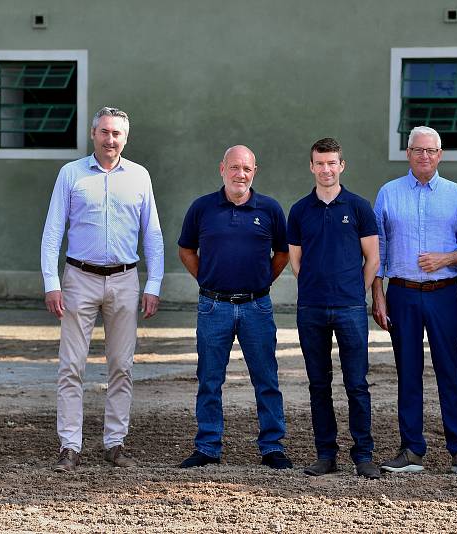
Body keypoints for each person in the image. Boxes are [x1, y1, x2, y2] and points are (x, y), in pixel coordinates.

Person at [41, 106, 165, 472]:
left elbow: (152, 234)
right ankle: (69, 446)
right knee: (71, 366)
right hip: (79, 278)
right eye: (104, 132)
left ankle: (114, 443)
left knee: (121, 366)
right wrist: (51, 283)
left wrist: (154, 283)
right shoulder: (71, 174)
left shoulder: (139, 177)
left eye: (117, 134)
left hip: (126, 280)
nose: (110, 139)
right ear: (93, 134)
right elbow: (52, 232)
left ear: (125, 138)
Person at [372, 126, 457, 474]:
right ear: (408, 153)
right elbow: (378, 249)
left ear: (440, 154)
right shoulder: (389, 193)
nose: (424, 156)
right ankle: (411, 449)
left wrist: (446, 258)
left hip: (443, 295)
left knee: (450, 370)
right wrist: (378, 294)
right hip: (401, 293)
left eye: (431, 150)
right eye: (418, 150)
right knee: (408, 371)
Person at [177, 145, 292, 470]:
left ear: (254, 171)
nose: (240, 174)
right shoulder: (202, 208)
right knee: (210, 379)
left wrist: (261, 282)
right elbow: (186, 250)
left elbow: (281, 254)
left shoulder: (269, 209)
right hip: (214, 307)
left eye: (247, 169)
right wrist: (208, 278)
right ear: (222, 169)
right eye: (235, 168)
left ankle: (272, 446)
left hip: (257, 307)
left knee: (266, 378)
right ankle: (208, 446)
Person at [287, 138, 381, 479]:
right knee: (318, 384)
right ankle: (326, 455)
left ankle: (364, 455)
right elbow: (296, 262)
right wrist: (316, 285)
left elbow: (372, 258)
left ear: (341, 165)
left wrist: (355, 289)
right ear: (312, 167)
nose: (326, 169)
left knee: (356, 383)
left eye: (332, 163)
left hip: (350, 308)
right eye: (320, 163)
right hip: (311, 307)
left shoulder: (358, 207)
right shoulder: (299, 211)